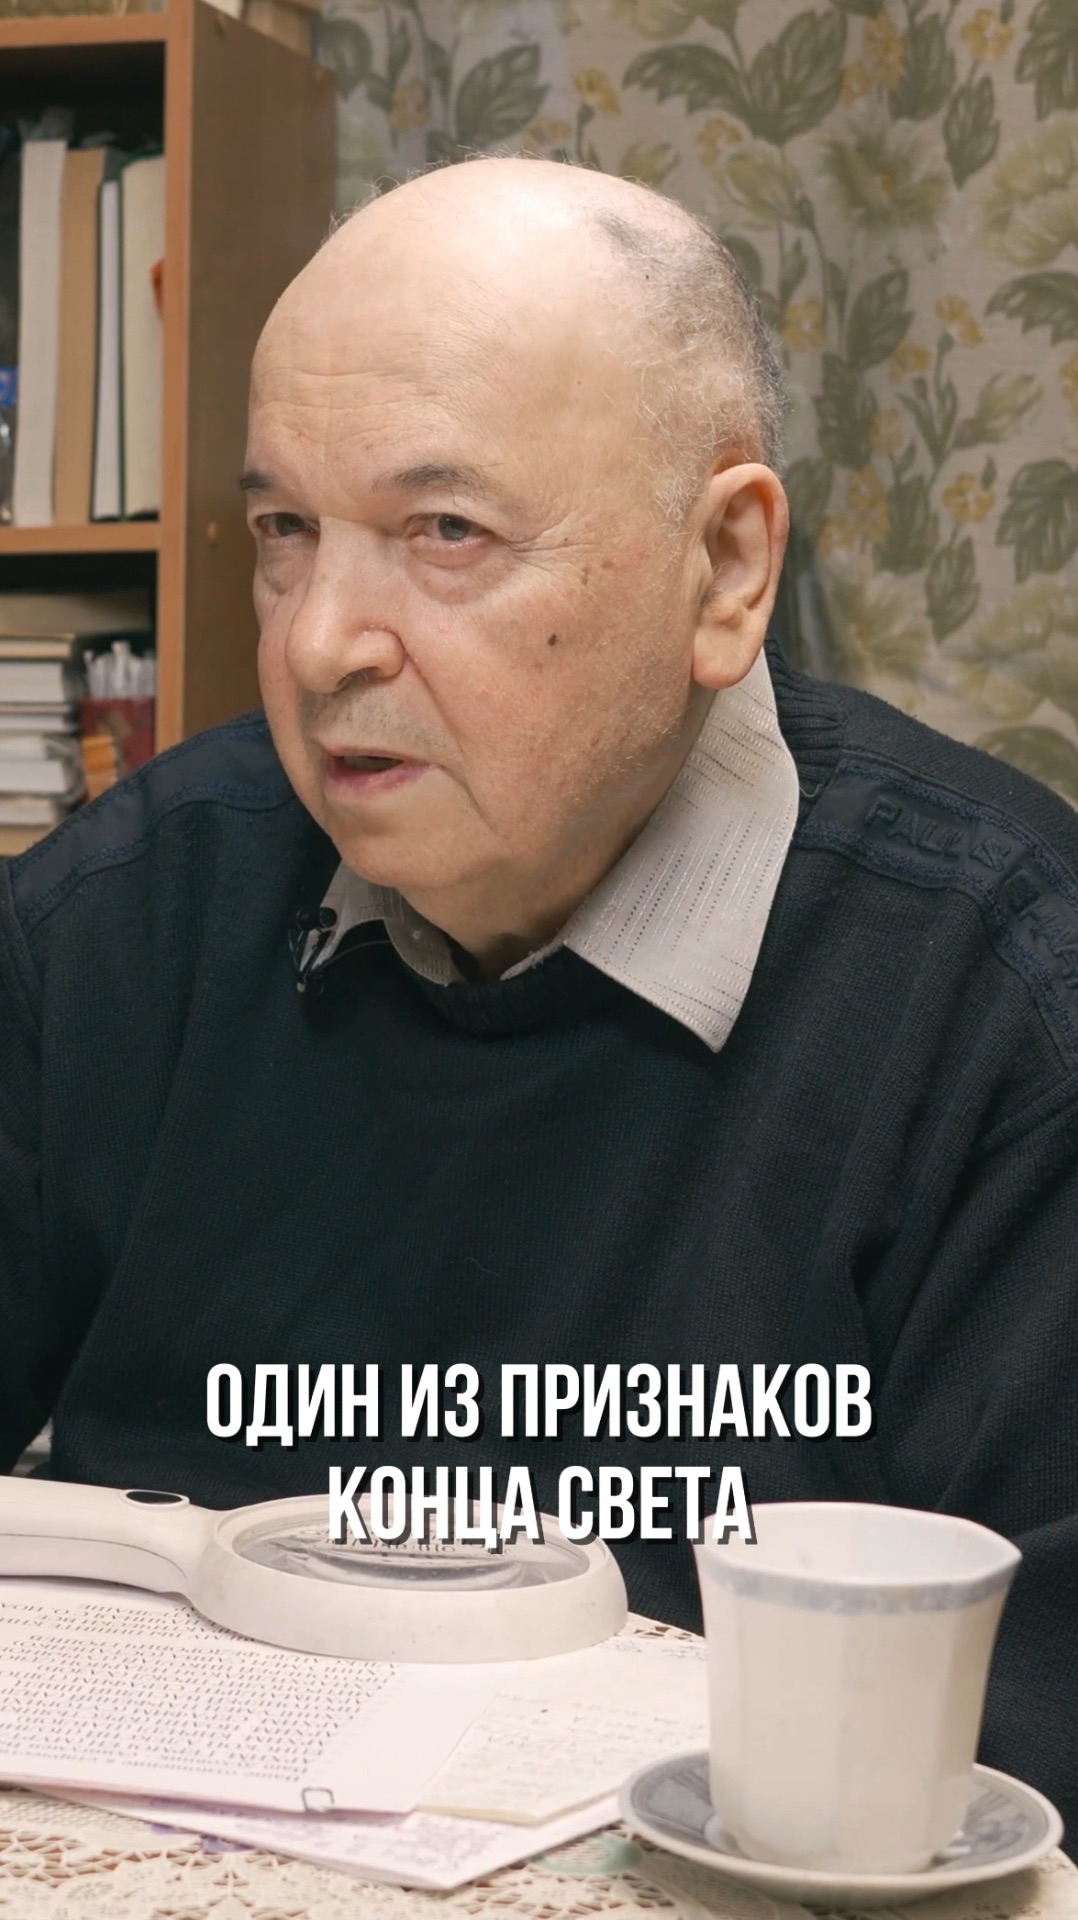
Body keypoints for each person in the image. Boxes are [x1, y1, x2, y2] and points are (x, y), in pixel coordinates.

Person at [1, 157, 1076, 1845]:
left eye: (445, 533)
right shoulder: (121, 919)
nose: (318, 644)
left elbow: (1031, 1754)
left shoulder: (997, 995)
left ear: (725, 569)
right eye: (285, 531)